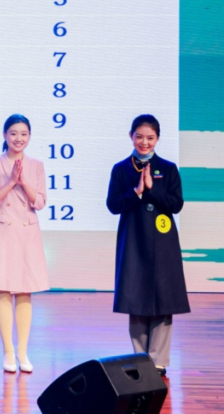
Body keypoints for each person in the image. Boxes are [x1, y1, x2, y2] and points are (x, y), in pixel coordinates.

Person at [106, 114, 189, 376]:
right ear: (131, 136)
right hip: (133, 240)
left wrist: (153, 189)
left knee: (163, 299)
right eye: (139, 137)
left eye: (150, 138)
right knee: (136, 297)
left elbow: (176, 204)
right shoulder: (121, 169)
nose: (144, 142)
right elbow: (113, 205)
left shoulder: (168, 168)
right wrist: (137, 192)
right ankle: (141, 358)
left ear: (158, 139)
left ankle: (158, 360)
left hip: (163, 243)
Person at [0, 114, 49, 373]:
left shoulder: (37, 165)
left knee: (24, 291)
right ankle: (8, 352)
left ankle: (23, 352)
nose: (18, 138)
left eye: (23, 134)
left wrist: (23, 182)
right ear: (4, 135)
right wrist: (11, 182)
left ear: (29, 136)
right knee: (3, 290)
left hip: (27, 233)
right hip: (2, 231)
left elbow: (40, 202)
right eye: (13, 133)